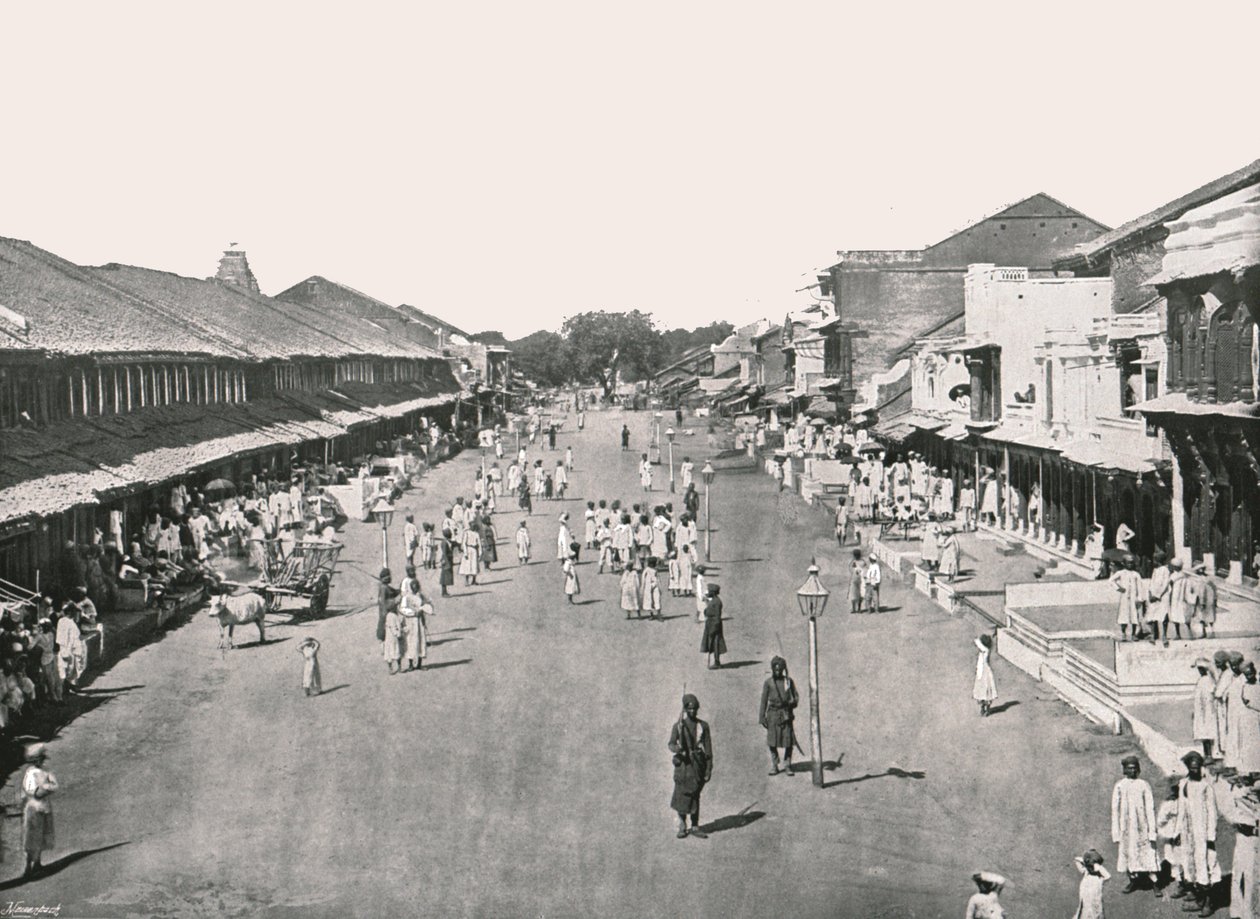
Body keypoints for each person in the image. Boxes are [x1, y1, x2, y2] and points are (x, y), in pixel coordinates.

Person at [1175, 750, 1220, 916]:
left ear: (1201, 768)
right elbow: (1181, 808)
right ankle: (1198, 898)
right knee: (1190, 863)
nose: (1195, 770)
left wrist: (1210, 837)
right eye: (1192, 767)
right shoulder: (1183, 784)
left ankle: (1209, 902)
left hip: (1202, 834)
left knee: (1205, 865)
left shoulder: (1206, 787)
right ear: (1187, 767)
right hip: (1188, 833)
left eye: (1198, 767)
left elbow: (1212, 812)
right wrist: (1179, 831)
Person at [1111, 755, 1158, 894]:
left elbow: (1150, 808)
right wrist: (1117, 832)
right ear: (1124, 770)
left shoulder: (1143, 785)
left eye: (1134, 768)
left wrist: (1152, 831)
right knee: (1128, 852)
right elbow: (1115, 809)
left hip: (1142, 825)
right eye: (1129, 768)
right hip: (1127, 828)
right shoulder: (1120, 786)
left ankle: (1154, 882)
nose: (1132, 771)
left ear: (1138, 770)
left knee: (1148, 851)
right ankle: (1133, 881)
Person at [668, 694, 712, 839]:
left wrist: (708, 769)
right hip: (684, 766)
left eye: (695, 709)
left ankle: (695, 826)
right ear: (685, 710)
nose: (693, 711)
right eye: (690, 709)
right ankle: (682, 825)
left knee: (695, 795)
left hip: (698, 765)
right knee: (682, 794)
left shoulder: (703, 726)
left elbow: (708, 750)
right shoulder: (679, 726)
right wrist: (678, 749)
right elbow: (671, 744)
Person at [17, 743, 57, 879]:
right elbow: (33, 792)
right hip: (34, 808)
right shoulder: (32, 773)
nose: (42, 761)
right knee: (32, 836)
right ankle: (28, 866)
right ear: (35, 760)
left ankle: (37, 863)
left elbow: (51, 785)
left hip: (41, 806)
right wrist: (46, 788)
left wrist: (47, 787)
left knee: (40, 835)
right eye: (40, 759)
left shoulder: (41, 771)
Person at [759, 656, 798, 776]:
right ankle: (775, 765)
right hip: (773, 715)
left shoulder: (788, 681)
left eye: (779, 669)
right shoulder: (768, 683)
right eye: (775, 669)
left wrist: (792, 701)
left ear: (783, 669)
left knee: (788, 741)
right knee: (772, 741)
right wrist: (762, 717)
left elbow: (796, 697)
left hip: (786, 714)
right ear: (772, 669)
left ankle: (787, 765)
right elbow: (763, 700)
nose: (777, 671)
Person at [399, 570, 428, 672]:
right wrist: (413, 613)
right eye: (413, 586)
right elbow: (402, 609)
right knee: (410, 642)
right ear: (410, 587)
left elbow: (425, 605)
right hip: (410, 622)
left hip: (419, 622)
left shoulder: (420, 596)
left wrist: (423, 613)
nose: (415, 587)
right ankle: (411, 664)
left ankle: (419, 664)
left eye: (417, 585)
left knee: (421, 641)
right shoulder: (406, 597)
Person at [1192, 658, 1219, 761]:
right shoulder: (1202, 680)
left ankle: (1210, 755)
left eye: (1201, 669)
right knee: (1203, 733)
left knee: (1208, 732)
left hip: (1207, 710)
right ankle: (1207, 754)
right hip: (1201, 710)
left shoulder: (1208, 680)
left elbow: (1210, 695)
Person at [1072, 849, 1110, 919]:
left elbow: (1107, 876)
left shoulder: (1097, 871)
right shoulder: (1087, 870)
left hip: (1094, 891)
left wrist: (1101, 880)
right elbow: (1080, 866)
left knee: (1094, 906)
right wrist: (1080, 861)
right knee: (1085, 904)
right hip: (1085, 890)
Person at [1112, 556, 1143, 642]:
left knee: (1134, 616)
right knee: (1123, 615)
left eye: (1132, 563)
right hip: (1125, 597)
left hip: (1134, 597)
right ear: (1124, 563)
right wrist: (1119, 588)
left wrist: (1139, 598)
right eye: (1128, 563)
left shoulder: (1136, 574)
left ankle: (1133, 634)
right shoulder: (1121, 573)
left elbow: (1139, 587)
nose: (1130, 564)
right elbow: (1111, 580)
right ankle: (1123, 633)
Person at [1215, 650, 1235, 763]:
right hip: (1220, 706)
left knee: (1226, 731)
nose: (1217, 665)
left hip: (1225, 706)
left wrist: (1219, 694)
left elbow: (1222, 691)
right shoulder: (1222, 673)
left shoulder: (1228, 674)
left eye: (1218, 662)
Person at [701, 584, 725, 669]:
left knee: (716, 644)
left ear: (713, 592)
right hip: (711, 624)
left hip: (714, 625)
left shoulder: (717, 602)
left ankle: (717, 662)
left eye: (709, 591)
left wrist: (714, 628)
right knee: (712, 643)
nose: (708, 592)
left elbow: (717, 616)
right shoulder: (714, 601)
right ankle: (715, 661)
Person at [973, 633, 997, 716]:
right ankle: (984, 708)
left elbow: (979, 645)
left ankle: (986, 708)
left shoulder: (986, 651)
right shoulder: (984, 651)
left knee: (985, 690)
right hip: (982, 672)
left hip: (984, 673)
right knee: (984, 690)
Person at [1191, 562, 1218, 639]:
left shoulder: (1204, 579)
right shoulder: (1201, 579)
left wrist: (1214, 599)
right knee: (1204, 617)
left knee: (1206, 617)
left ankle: (1211, 632)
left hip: (1206, 600)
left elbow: (1210, 590)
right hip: (1205, 600)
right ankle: (1206, 632)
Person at [376, 568, 400, 643]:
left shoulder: (386, 586)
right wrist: (394, 602)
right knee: (385, 624)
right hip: (386, 610)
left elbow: (393, 592)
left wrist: (400, 590)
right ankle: (382, 637)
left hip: (387, 609)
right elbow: (383, 601)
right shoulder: (384, 588)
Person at [383, 602, 402, 674]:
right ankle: (399, 667)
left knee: (388, 653)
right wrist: (398, 634)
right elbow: (394, 627)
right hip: (393, 637)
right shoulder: (394, 616)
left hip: (388, 637)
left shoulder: (388, 615)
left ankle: (390, 668)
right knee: (396, 651)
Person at [847, 549, 865, 614]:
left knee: (853, 594)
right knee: (860, 594)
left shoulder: (854, 562)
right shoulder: (862, 562)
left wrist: (852, 559)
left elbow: (850, 568)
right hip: (861, 579)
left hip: (854, 579)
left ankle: (853, 608)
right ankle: (859, 608)